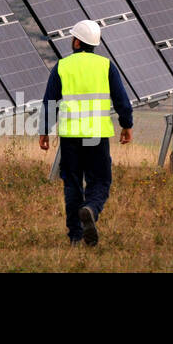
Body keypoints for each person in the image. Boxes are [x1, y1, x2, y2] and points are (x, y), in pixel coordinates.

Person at [38, 19, 133, 246]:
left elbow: (49, 101)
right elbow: (122, 101)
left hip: (70, 137)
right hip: (96, 136)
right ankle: (90, 208)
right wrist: (126, 125)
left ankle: (76, 236)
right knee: (100, 180)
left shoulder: (62, 66)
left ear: (77, 42)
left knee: (71, 183)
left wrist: (44, 131)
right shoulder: (106, 66)